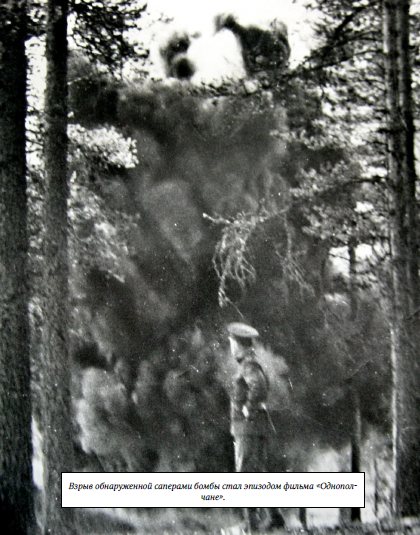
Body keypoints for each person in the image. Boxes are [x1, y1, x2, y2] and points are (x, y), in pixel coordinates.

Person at [228, 322, 286, 533]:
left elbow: (259, 386)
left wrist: (248, 409)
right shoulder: (249, 363)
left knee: (245, 475)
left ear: (238, 344)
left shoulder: (248, 365)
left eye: (231, 342)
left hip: (248, 428)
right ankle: (275, 517)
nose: (230, 346)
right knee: (258, 473)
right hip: (254, 427)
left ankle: (251, 526)